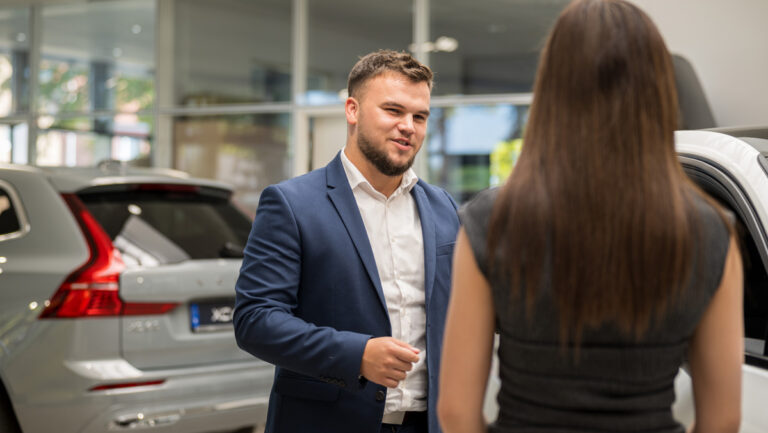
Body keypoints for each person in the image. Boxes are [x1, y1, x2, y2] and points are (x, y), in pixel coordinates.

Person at [437, 1, 743, 433]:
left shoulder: (491, 221)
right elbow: (723, 420)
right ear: (658, 90)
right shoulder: (711, 231)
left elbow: (455, 413)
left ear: (551, 90)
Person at [234, 50, 459, 433]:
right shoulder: (292, 204)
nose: (408, 126)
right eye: (393, 110)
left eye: (419, 116)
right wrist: (357, 355)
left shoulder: (443, 208)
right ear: (352, 110)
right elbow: (255, 321)